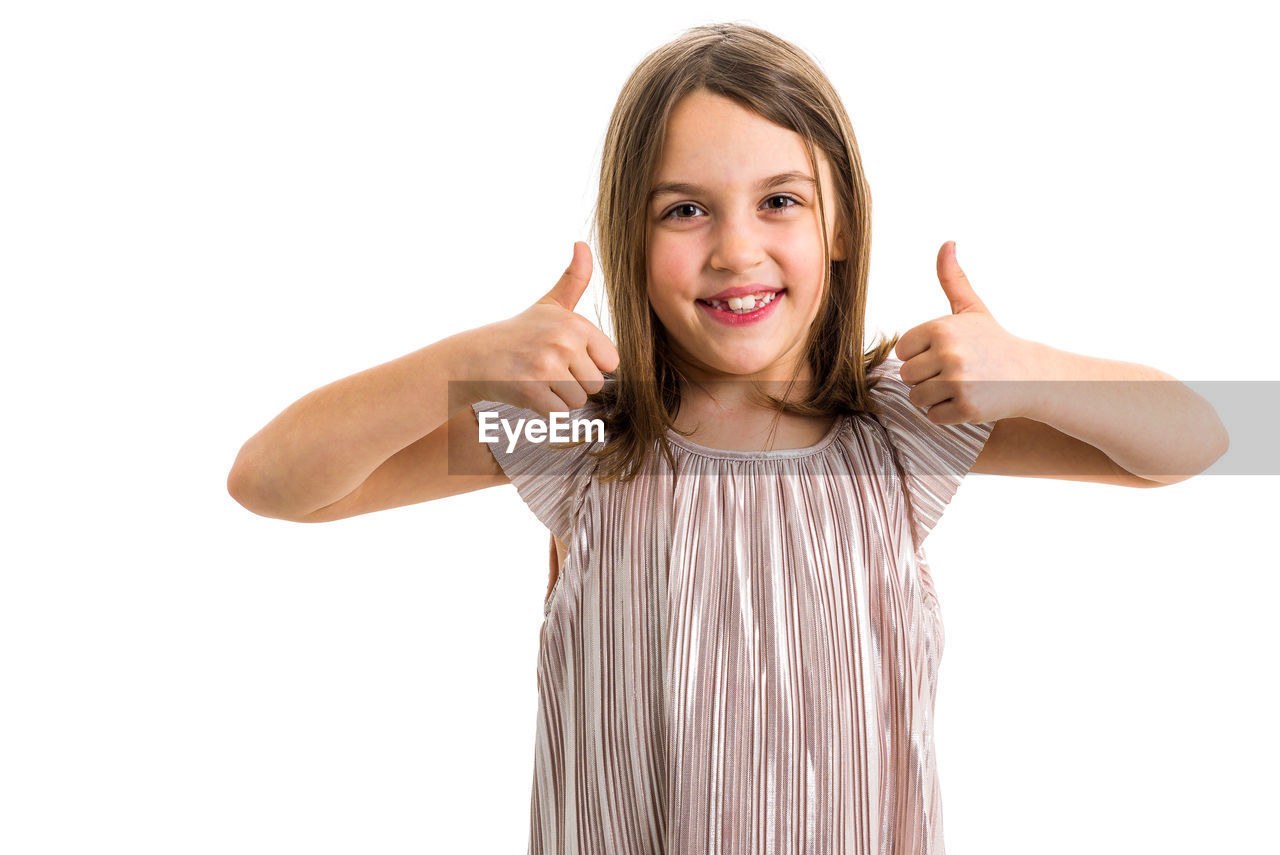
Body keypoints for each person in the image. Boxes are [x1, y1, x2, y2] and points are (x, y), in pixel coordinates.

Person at [227, 22, 1228, 855]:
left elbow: (1207, 437)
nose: (735, 247)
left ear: (839, 222)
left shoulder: (900, 424)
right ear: (630, 234)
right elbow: (272, 481)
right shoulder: (584, 430)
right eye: (684, 210)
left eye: (779, 200)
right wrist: (463, 363)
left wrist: (1036, 372)